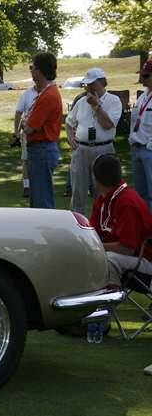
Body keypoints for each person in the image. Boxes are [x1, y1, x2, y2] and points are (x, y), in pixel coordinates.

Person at [64, 68, 122, 216]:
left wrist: (96, 106)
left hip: (104, 150)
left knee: (103, 191)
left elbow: (108, 124)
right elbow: (69, 122)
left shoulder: (114, 101)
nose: (88, 87)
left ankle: (102, 228)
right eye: (86, 84)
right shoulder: (82, 101)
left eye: (92, 83)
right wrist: (70, 137)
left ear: (102, 83)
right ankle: (76, 228)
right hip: (81, 149)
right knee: (78, 191)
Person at [90, 153, 152, 288]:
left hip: (147, 261)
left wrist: (95, 247)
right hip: (134, 260)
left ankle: (107, 306)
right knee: (85, 256)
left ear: (95, 181)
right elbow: (91, 235)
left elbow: (127, 249)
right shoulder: (102, 201)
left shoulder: (127, 202)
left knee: (109, 260)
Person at [20, 52, 62, 209]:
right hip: (40, 149)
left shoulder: (47, 96)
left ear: (39, 70)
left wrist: (27, 122)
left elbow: (28, 128)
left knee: (42, 202)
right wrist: (29, 122)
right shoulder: (45, 92)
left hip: (41, 149)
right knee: (37, 199)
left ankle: (46, 233)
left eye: (32, 67)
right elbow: (31, 125)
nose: (30, 70)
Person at [129, 60, 152, 212]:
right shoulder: (143, 96)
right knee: (141, 193)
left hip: (148, 150)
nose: (142, 79)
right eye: (142, 75)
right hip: (136, 148)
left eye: (146, 75)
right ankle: (145, 228)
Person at [13, 82, 39, 199]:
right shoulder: (27, 94)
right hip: (27, 131)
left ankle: (37, 186)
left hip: (42, 133)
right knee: (26, 159)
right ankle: (27, 187)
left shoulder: (47, 93)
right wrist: (16, 132)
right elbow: (18, 112)